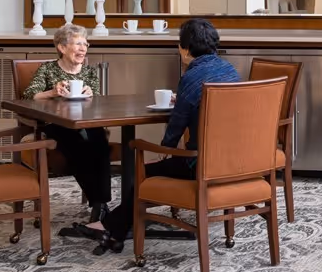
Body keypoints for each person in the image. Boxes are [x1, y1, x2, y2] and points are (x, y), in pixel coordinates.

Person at [93, 18, 241, 254]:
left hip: (199, 164)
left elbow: (175, 129)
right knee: (155, 171)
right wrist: (182, 100)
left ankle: (113, 229)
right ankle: (113, 228)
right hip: (233, 162)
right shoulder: (231, 71)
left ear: (185, 49)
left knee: (141, 175)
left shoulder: (191, 78)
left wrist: (164, 151)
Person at [22, 23, 113, 225]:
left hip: (87, 122)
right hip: (57, 124)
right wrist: (52, 93)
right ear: (62, 47)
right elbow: (29, 95)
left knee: (100, 144)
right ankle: (100, 203)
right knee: (77, 146)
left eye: (85, 44)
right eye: (78, 44)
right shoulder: (48, 69)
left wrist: (92, 95)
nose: (83, 49)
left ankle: (99, 203)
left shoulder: (89, 73)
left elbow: (100, 103)